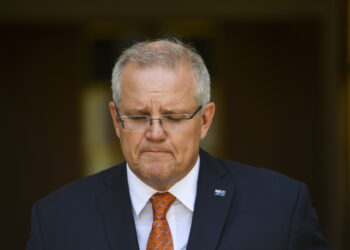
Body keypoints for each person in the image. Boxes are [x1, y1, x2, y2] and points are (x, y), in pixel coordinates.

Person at [26, 38, 331, 250]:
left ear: (205, 120)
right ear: (116, 118)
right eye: (139, 116)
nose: (155, 133)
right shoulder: (57, 219)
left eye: (173, 117)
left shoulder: (279, 208)